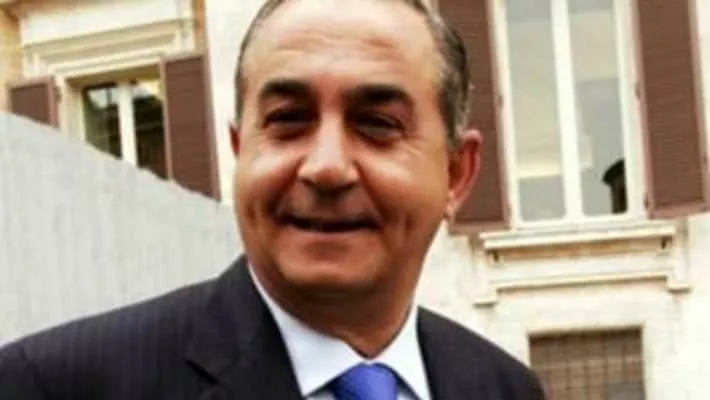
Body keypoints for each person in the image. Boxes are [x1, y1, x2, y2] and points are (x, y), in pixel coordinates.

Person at [0, 0, 545, 398]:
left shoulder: (504, 388)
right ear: (240, 151)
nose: (326, 166)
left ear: (456, 173)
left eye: (377, 124)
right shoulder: (51, 386)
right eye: (288, 120)